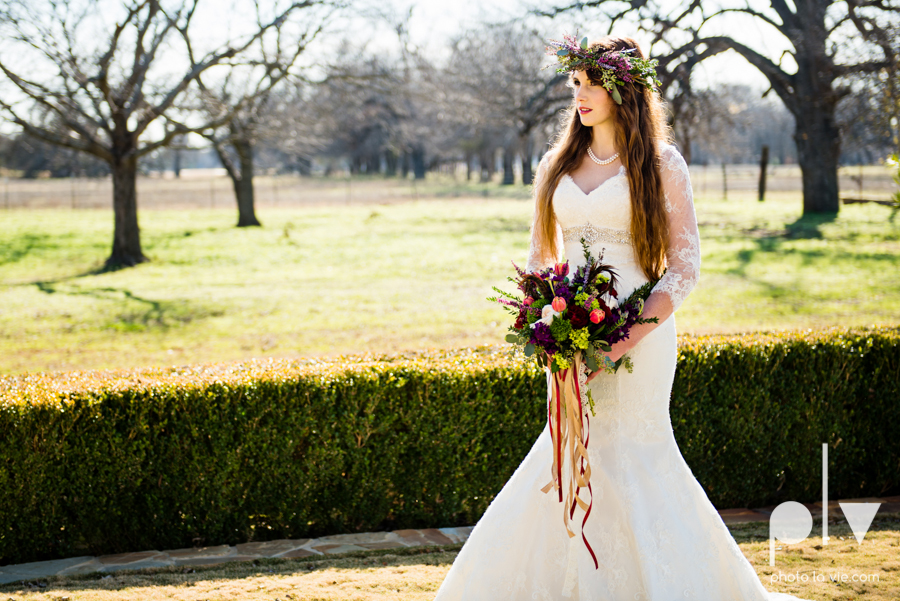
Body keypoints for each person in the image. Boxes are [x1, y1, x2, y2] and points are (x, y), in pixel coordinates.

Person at [433, 35, 813, 601]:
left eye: (592, 84)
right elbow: (541, 258)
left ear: (622, 88)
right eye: (576, 85)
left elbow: (683, 268)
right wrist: (549, 327)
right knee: (567, 450)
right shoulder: (555, 163)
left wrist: (621, 340)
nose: (580, 95)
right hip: (570, 333)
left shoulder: (661, 163)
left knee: (638, 454)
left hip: (644, 332)